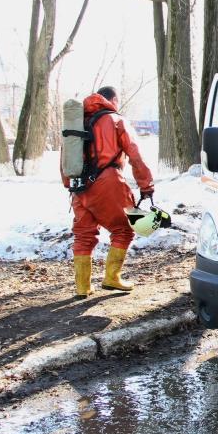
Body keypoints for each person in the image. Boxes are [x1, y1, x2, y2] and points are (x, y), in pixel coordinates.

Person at [63, 86, 154, 298]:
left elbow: (65, 158)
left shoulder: (76, 123)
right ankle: (112, 278)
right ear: (112, 100)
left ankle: (82, 287)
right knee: (124, 229)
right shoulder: (115, 120)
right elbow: (135, 154)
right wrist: (146, 185)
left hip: (78, 187)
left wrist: (70, 186)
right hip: (108, 183)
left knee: (84, 235)